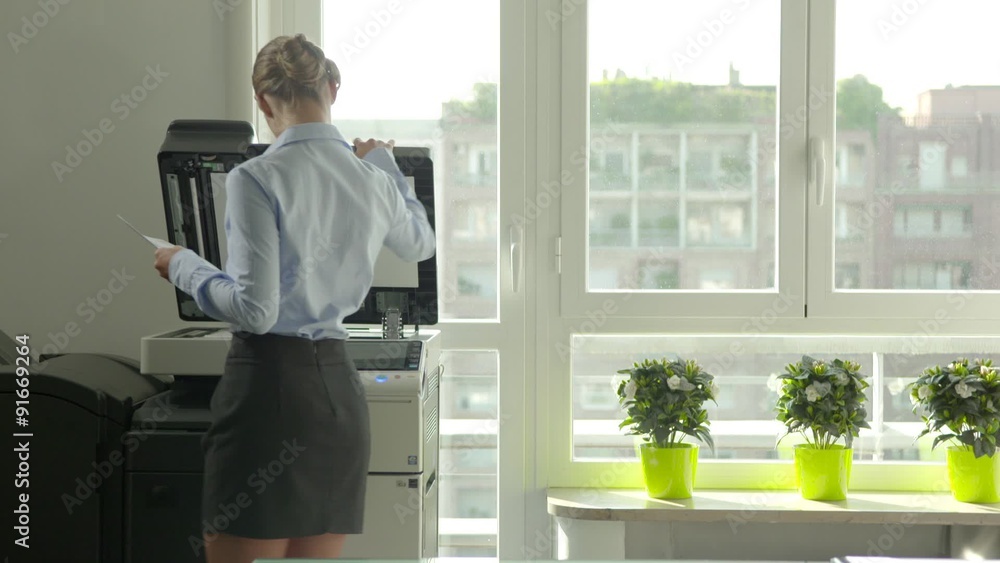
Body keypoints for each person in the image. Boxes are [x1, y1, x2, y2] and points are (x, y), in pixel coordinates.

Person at [152, 34, 435, 563]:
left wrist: (183, 266)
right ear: (333, 87)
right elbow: (421, 243)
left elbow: (256, 311)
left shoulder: (256, 177)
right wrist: (389, 169)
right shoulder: (372, 179)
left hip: (267, 389)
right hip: (337, 393)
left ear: (262, 102)